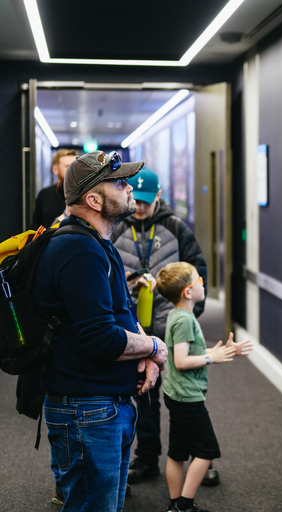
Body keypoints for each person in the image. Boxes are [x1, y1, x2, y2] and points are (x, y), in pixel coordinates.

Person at [35, 150, 168, 511]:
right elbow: (100, 338)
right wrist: (156, 345)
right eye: (120, 182)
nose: (129, 188)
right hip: (88, 413)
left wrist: (150, 355)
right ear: (93, 199)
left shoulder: (97, 244)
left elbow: (121, 313)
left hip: (106, 408)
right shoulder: (78, 251)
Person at [110, 168, 216, 485]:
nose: (140, 208)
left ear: (158, 196)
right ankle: (148, 458)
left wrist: (190, 318)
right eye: (136, 201)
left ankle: (200, 457)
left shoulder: (175, 227)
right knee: (146, 394)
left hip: (173, 325)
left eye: (146, 201)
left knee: (187, 395)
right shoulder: (117, 227)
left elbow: (198, 272)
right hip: (136, 328)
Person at [155, 262, 253, 512]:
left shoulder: (179, 315)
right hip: (187, 398)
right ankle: (185, 506)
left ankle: (175, 504)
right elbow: (181, 361)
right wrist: (212, 358)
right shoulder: (185, 321)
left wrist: (224, 351)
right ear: (188, 292)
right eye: (198, 279)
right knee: (207, 450)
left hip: (176, 394)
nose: (203, 281)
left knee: (177, 452)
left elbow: (190, 352)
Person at [31, 148, 77, 229]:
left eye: (75, 166)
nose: (73, 170)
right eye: (68, 166)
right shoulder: (44, 194)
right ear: (55, 169)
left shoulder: (82, 194)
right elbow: (35, 226)